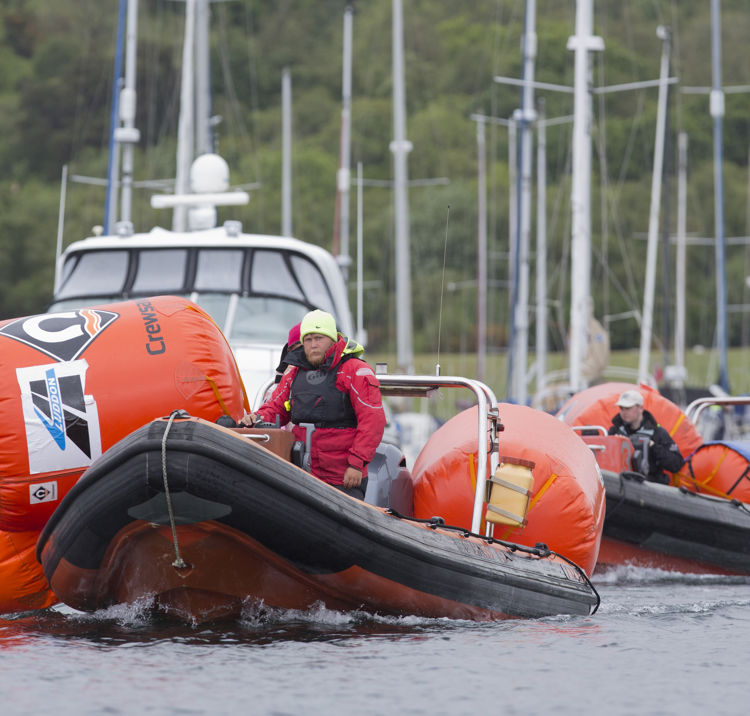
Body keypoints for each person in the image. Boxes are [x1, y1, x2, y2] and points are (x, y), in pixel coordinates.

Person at [242, 309, 386, 500]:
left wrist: (356, 464)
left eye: (319, 338)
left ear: (333, 339)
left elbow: (372, 421)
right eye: (308, 339)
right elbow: (275, 407)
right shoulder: (294, 374)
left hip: (343, 475)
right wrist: (257, 419)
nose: (313, 345)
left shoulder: (355, 371)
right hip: (303, 471)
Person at [607, 389, 684, 484]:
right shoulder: (614, 431)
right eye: (621, 408)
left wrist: (653, 447)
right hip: (621, 483)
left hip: (649, 485)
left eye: (628, 408)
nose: (623, 412)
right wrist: (614, 444)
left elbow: (676, 464)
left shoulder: (657, 433)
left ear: (640, 408)